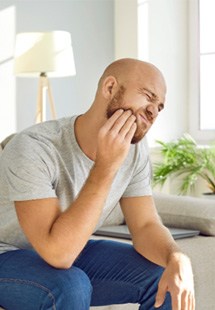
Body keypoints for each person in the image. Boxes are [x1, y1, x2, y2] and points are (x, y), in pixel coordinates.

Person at [0, 58, 195, 310]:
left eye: (159, 107)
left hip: (69, 248)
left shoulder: (134, 151)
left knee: (165, 276)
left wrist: (175, 257)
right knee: (70, 284)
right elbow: (58, 254)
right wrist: (106, 166)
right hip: (8, 255)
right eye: (148, 96)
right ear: (110, 88)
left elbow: (146, 224)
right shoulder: (34, 146)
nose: (153, 112)